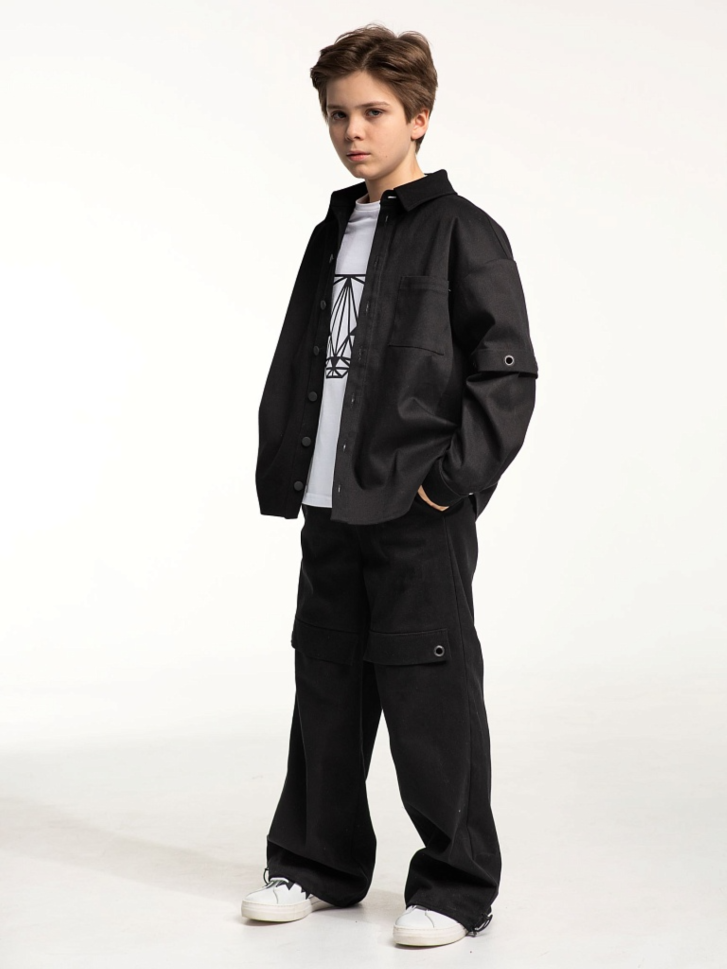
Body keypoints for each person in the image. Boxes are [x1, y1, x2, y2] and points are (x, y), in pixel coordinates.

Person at [241, 24, 539, 948]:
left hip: (416, 508)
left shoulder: (463, 232)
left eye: (372, 112)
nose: (351, 131)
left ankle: (456, 885)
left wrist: (448, 486)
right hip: (331, 501)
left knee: (428, 693)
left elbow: (506, 372)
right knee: (327, 684)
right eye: (337, 114)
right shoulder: (332, 230)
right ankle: (316, 864)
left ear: (418, 117)